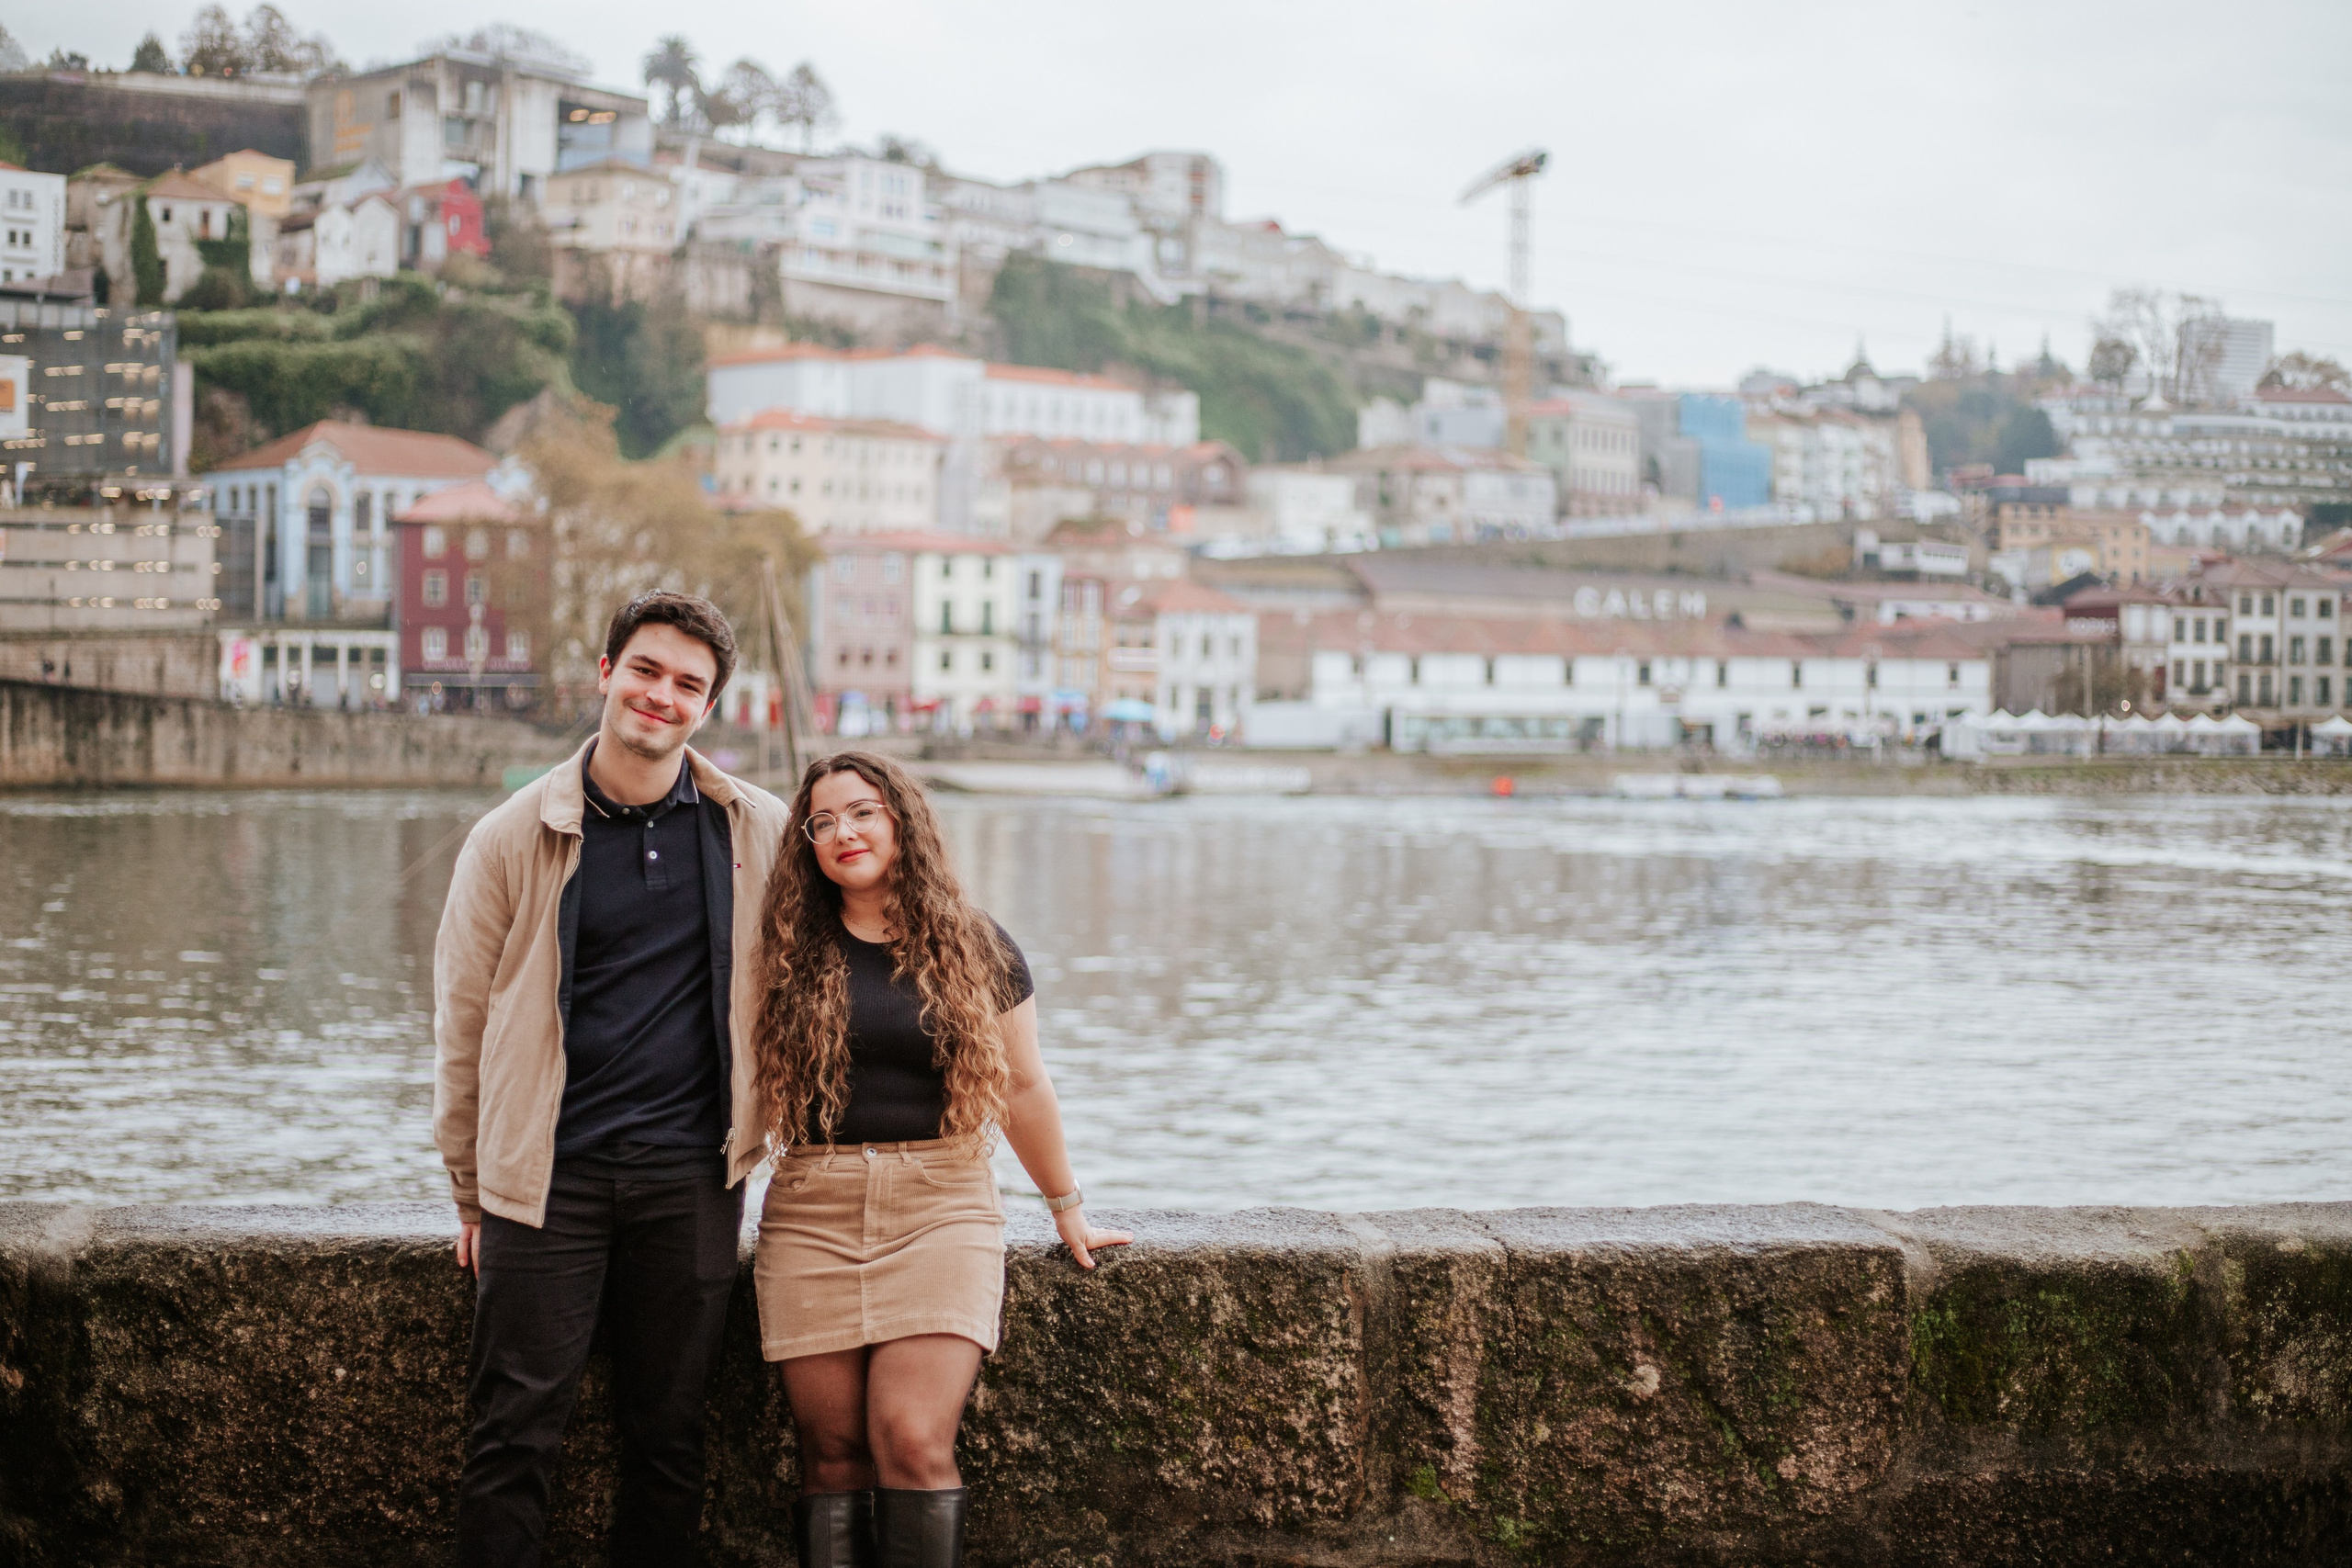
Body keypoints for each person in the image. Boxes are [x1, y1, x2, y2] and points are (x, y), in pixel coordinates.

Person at [434, 591, 788, 1567]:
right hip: (546, 1180)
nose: (661, 696)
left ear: (708, 706)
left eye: (687, 684)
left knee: (670, 1440)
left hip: (694, 1179)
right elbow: (462, 1026)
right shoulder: (510, 836)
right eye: (645, 670)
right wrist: (471, 1190)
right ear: (605, 673)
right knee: (512, 1437)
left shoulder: (756, 828)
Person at [748, 750, 1130, 1568]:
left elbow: (1023, 1085)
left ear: (903, 820)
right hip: (812, 1210)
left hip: (942, 1207)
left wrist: (1066, 1206)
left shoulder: (975, 942)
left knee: (912, 1438)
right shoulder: (783, 948)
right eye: (822, 821)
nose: (844, 831)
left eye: (863, 811)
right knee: (832, 1454)